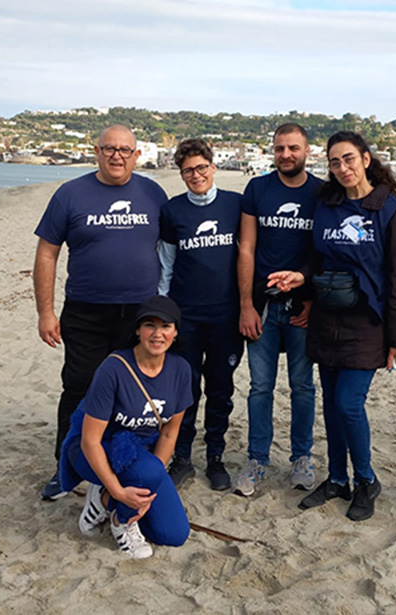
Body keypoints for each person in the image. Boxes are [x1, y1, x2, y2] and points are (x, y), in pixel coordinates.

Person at [268, 131, 396, 521]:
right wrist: (300, 277)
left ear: (366, 159)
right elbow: (317, 258)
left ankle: (366, 480)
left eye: (349, 159)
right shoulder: (327, 205)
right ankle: (336, 479)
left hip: (367, 323)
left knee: (350, 405)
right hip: (326, 318)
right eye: (335, 162)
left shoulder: (392, 211)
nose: (343, 168)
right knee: (331, 406)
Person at [33, 125, 167, 501]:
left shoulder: (152, 193)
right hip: (85, 311)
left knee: (132, 394)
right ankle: (66, 469)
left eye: (125, 150)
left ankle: (121, 463)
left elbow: (171, 248)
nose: (117, 156)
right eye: (110, 149)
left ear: (137, 155)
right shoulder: (70, 194)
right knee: (79, 388)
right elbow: (47, 253)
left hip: (140, 314)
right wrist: (46, 312)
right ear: (97, 151)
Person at [58, 295, 192, 559]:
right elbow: (90, 441)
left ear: (175, 332)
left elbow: (169, 431)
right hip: (93, 448)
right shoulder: (114, 368)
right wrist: (120, 493)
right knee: (143, 476)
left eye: (166, 326)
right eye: (149, 325)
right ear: (137, 330)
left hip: (141, 453)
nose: (157, 333)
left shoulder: (181, 370)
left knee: (173, 535)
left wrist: (150, 483)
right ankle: (119, 518)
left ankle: (104, 498)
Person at [234, 123, 322, 497]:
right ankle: (257, 459)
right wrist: (245, 305)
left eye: (293, 148)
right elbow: (247, 249)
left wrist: (314, 302)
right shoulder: (258, 188)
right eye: (280, 149)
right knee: (260, 387)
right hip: (264, 305)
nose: (286, 154)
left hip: (303, 305)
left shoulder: (321, 192)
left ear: (307, 150)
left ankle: (301, 457)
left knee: (303, 386)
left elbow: (325, 251)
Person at [158, 138, 244, 491]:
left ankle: (216, 457)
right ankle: (182, 457)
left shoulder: (236, 206)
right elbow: (166, 264)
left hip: (226, 316)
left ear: (213, 167)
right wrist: (164, 312)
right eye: (188, 170)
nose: (196, 175)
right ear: (181, 175)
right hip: (186, 316)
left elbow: (249, 254)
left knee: (221, 388)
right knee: (186, 388)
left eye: (201, 167)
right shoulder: (172, 211)